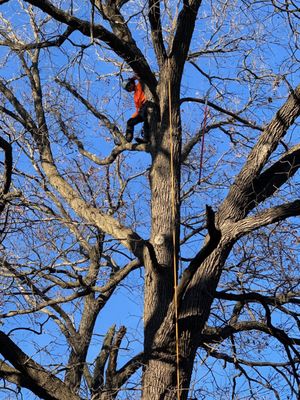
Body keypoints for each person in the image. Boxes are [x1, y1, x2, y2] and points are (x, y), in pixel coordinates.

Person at [121, 76, 150, 144]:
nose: (129, 88)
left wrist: (132, 79)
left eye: (129, 85)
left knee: (145, 116)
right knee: (130, 122)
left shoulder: (140, 85)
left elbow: (141, 76)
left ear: (132, 83)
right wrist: (132, 118)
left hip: (148, 104)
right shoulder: (135, 97)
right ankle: (128, 139)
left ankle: (146, 138)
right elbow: (137, 110)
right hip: (142, 110)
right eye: (127, 89)